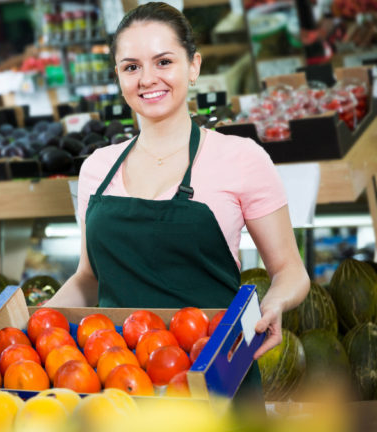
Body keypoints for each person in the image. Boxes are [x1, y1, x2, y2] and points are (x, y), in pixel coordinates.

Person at [47, 2, 309, 408]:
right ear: (117, 75)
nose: (147, 79)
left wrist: (273, 303)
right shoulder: (97, 168)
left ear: (194, 65)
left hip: (219, 377)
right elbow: (87, 278)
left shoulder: (241, 158)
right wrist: (32, 325)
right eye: (131, 67)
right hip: (122, 383)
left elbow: (291, 271)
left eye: (164, 61)